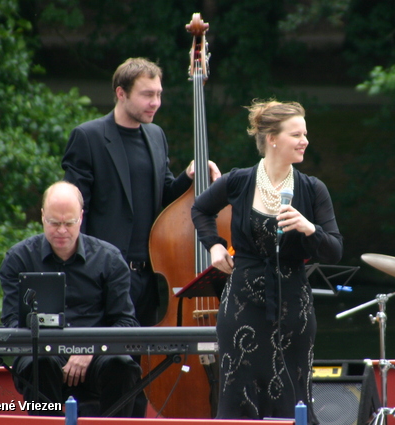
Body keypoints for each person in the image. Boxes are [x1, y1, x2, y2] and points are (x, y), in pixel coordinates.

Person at [191, 99, 343, 423]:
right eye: (296, 134)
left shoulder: (313, 189)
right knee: (238, 397)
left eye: (305, 134)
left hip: (293, 310)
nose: (305, 140)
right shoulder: (239, 181)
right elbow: (200, 210)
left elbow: (334, 250)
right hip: (242, 306)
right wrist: (215, 247)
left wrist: (309, 229)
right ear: (272, 138)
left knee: (293, 397)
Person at [62, 57, 221, 327]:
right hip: (104, 274)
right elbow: (77, 210)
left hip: (149, 276)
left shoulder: (156, 135)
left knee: (141, 363)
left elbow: (165, 197)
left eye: (158, 94)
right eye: (147, 95)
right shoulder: (88, 137)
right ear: (121, 93)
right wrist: (81, 272)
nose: (156, 102)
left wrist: (190, 175)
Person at [0, 181, 142, 417]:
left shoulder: (109, 259)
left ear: (81, 217)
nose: (62, 230)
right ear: (43, 216)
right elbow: (12, 324)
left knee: (123, 367)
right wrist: (49, 346)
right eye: (54, 223)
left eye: (69, 223)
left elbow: (125, 322)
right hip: (41, 353)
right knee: (39, 363)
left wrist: (91, 348)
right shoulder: (19, 258)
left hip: (98, 354)